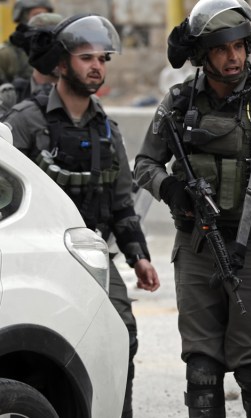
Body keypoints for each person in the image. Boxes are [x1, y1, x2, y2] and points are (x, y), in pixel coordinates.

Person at [133, 0, 251, 416]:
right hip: (196, 249)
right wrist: (169, 188)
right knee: (201, 370)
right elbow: (144, 164)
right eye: (221, 48)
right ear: (204, 55)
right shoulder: (179, 103)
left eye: (239, 46)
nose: (233, 56)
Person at [1, 14, 160, 418]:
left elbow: (122, 202)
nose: (97, 67)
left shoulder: (107, 129)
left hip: (90, 257)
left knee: (121, 333)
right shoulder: (25, 122)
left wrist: (138, 256)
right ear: (61, 64)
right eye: (86, 57)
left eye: (103, 58)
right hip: (34, 251)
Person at [0, 12, 64, 116]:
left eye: (61, 44)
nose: (55, 52)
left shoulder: (81, 98)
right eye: (46, 43)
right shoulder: (11, 97)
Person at [0, 0, 53, 84]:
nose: (43, 19)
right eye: (36, 15)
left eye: (47, 15)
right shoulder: (6, 54)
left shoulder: (55, 50)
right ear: (23, 18)